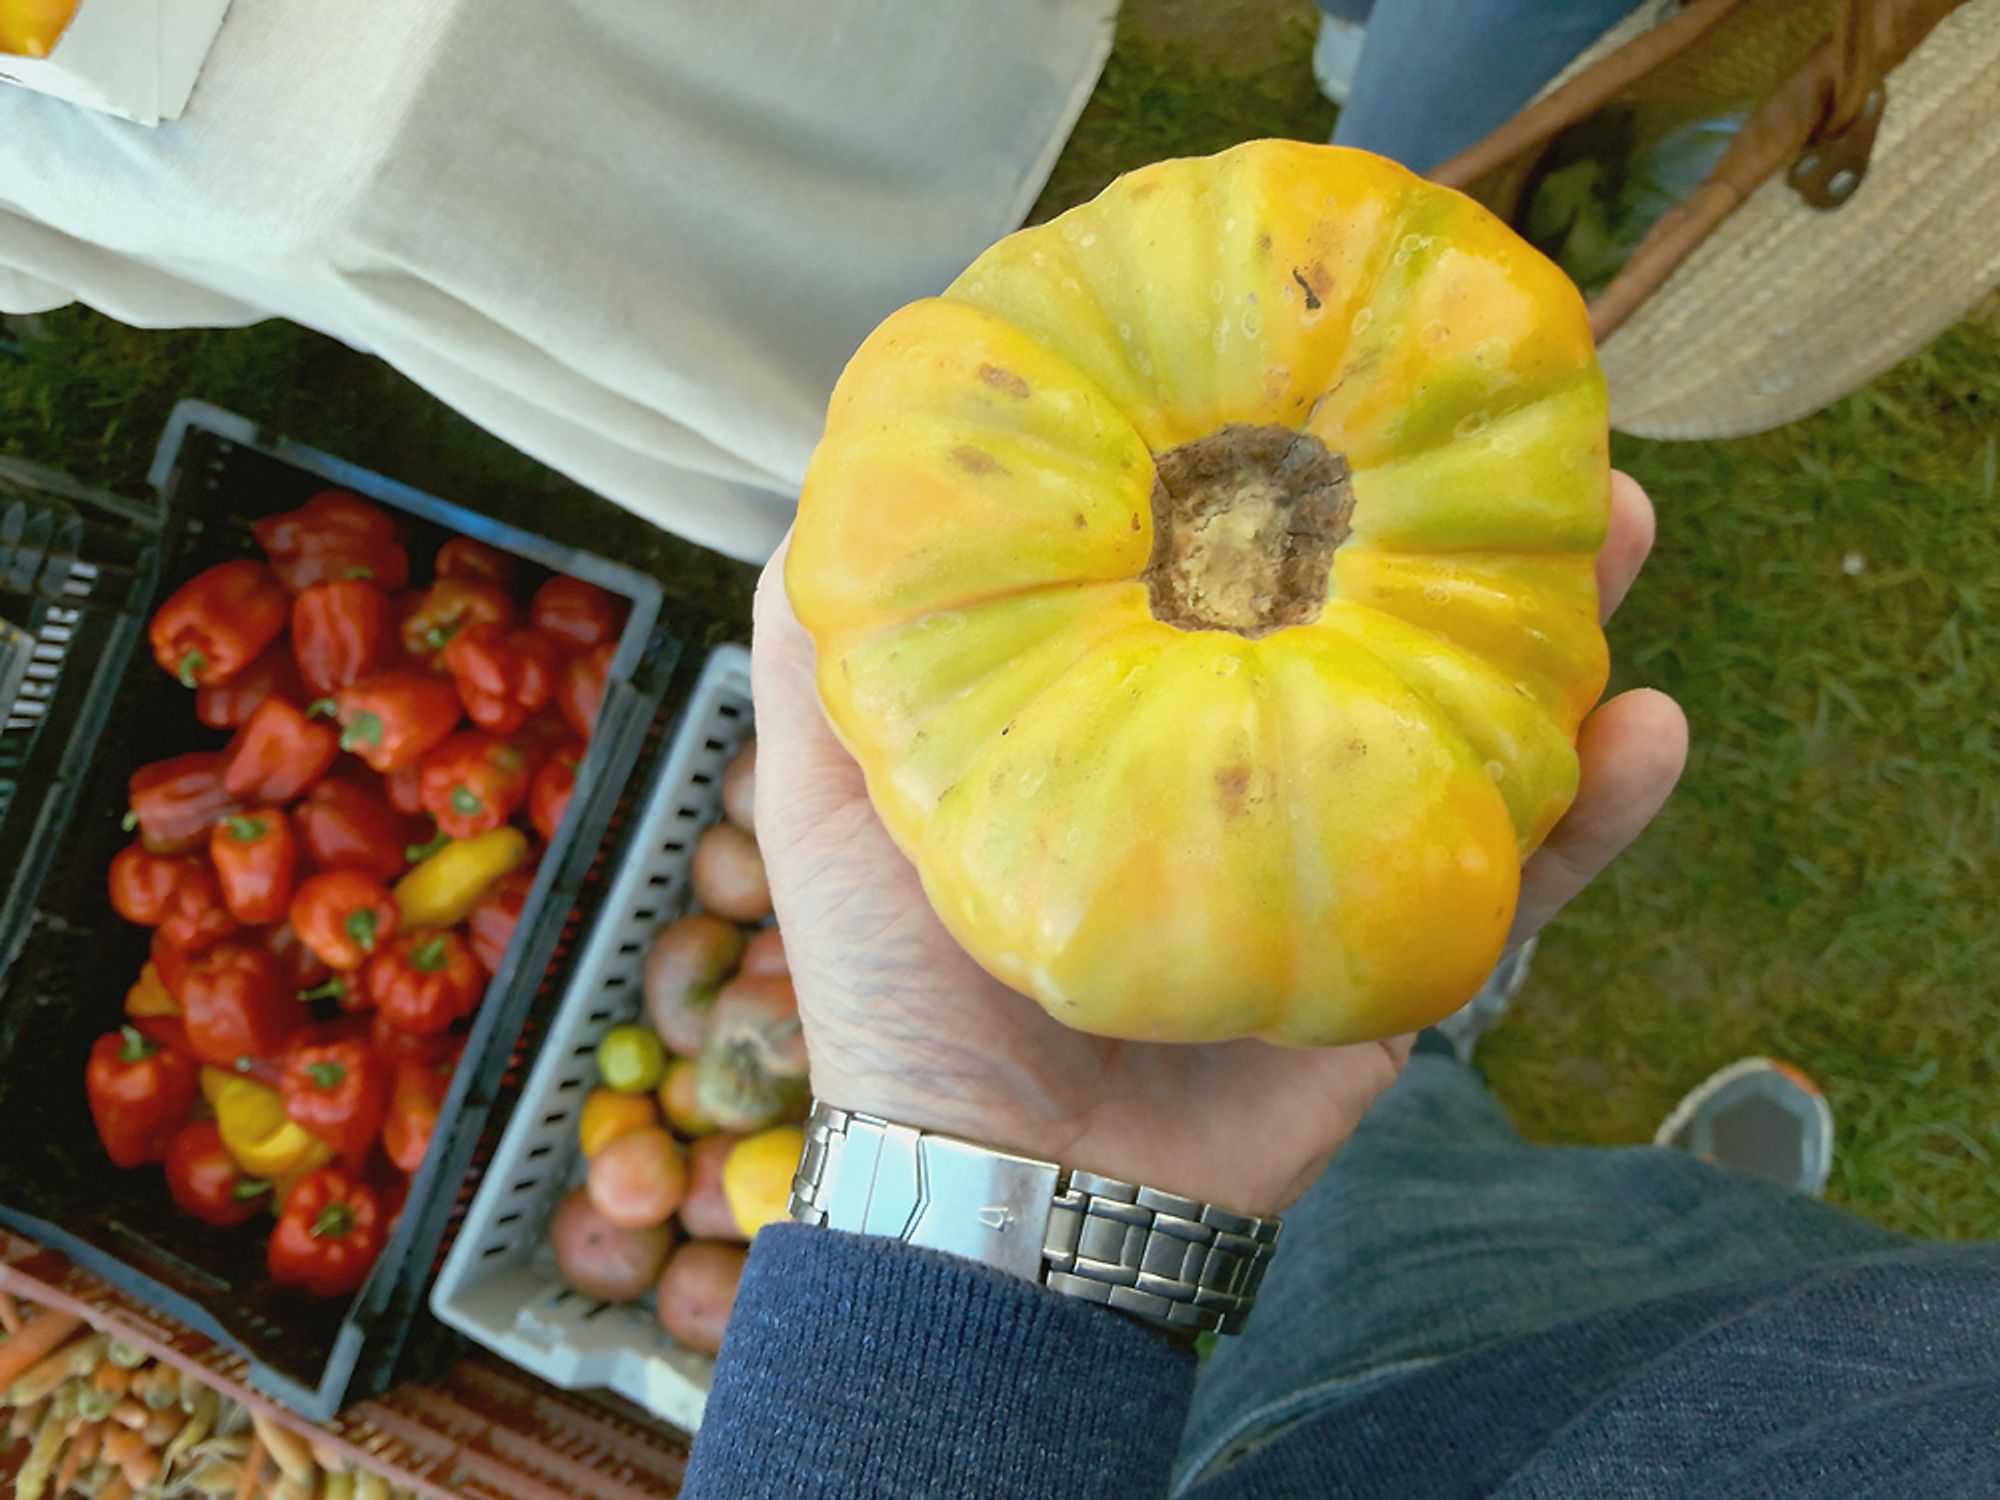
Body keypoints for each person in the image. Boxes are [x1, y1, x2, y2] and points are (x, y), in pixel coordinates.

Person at [682, 473, 1997, 1497]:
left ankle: (1509, 1124)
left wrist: (980, 1179)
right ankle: (1689, 1222)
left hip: (1351, 1417)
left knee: (1391, 1177)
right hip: (1886, 1380)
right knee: (1677, 1243)